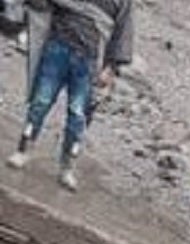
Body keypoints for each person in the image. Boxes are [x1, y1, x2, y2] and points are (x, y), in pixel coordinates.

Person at [5, 0, 134, 192]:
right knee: (41, 101)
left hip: (90, 59)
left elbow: (123, 30)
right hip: (58, 46)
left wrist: (111, 67)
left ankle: (67, 167)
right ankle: (23, 150)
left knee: (77, 114)